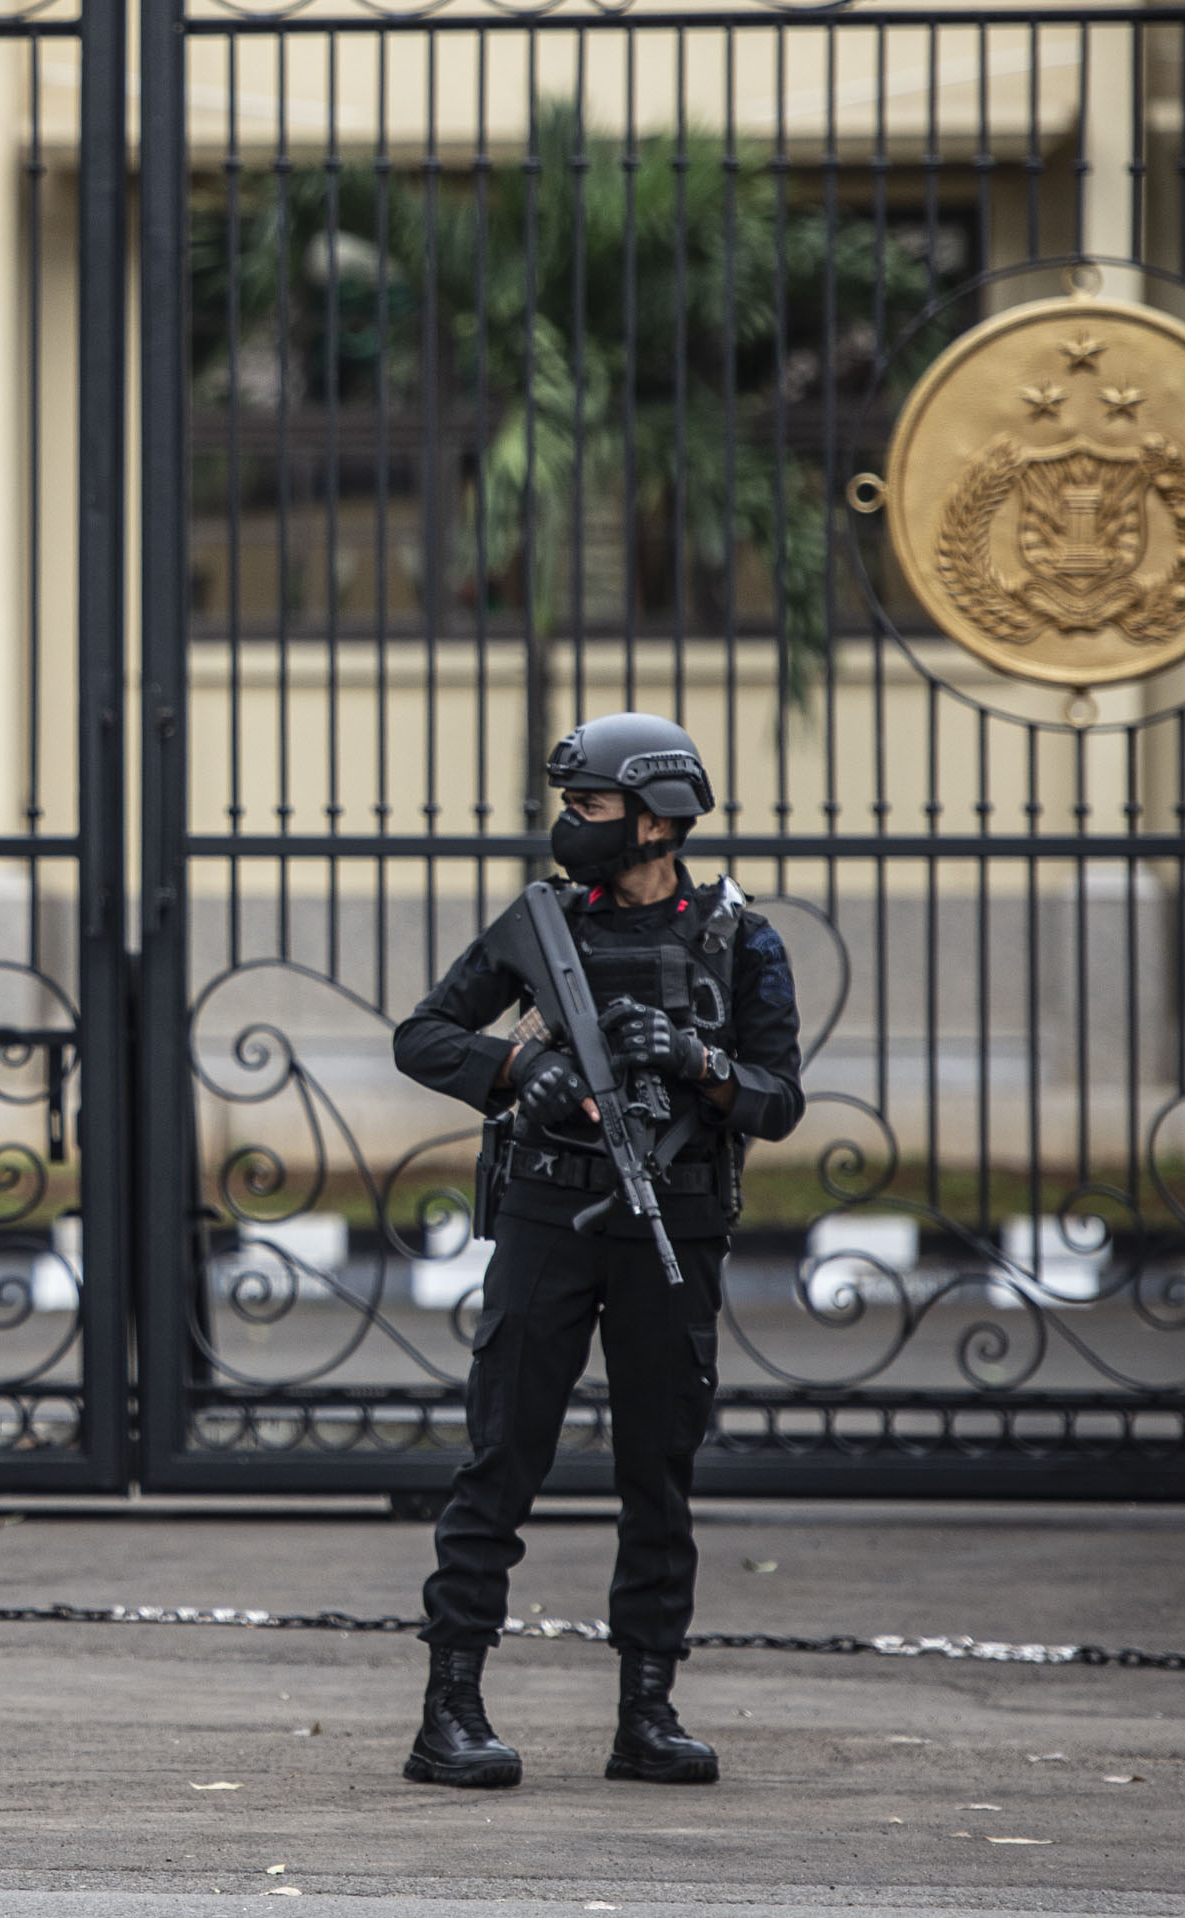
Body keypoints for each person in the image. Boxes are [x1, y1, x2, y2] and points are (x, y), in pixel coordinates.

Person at [390, 713, 804, 1791]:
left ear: (657, 820)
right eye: (568, 806)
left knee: (656, 1469)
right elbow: (424, 1034)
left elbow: (778, 1101)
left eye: (589, 807)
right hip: (545, 1215)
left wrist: (700, 1061)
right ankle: (451, 1712)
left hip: (675, 1221)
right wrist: (508, 1073)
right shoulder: (544, 926)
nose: (569, 825)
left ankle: (646, 1713)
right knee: (503, 1455)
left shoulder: (736, 938)